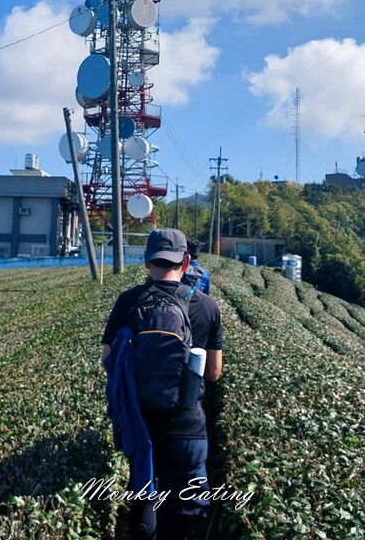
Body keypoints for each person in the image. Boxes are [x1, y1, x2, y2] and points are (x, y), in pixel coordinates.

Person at [102, 228, 223, 540]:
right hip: (186, 422)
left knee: (143, 489)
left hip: (139, 419)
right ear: (185, 261)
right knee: (178, 510)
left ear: (146, 263)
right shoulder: (207, 305)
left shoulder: (129, 301)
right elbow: (213, 374)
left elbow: (108, 360)